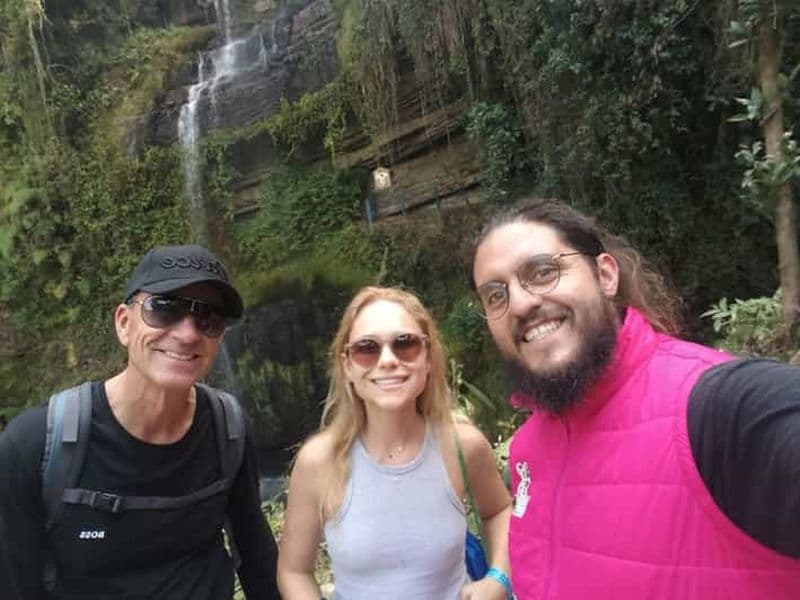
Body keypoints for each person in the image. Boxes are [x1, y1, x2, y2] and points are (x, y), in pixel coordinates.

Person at [470, 198, 800, 599]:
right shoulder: (526, 453)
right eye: (495, 296)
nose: (520, 303)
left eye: (542, 272)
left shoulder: (720, 406)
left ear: (605, 275)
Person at [0, 244, 280, 599]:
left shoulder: (229, 429)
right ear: (123, 324)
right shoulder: (34, 445)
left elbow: (257, 558)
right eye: (164, 309)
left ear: (218, 337)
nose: (188, 333)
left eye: (208, 318)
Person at [277, 286, 512, 599]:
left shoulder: (461, 446)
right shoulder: (319, 461)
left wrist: (498, 577)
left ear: (428, 358)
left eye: (405, 344)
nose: (387, 360)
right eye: (367, 348)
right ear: (347, 365)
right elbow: (293, 570)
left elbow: (499, 511)